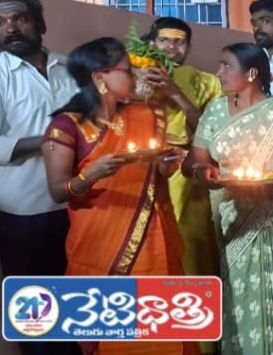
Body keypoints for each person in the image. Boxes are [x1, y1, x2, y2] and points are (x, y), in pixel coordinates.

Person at [41, 37, 195, 355]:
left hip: (155, 243)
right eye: (127, 71)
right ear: (100, 77)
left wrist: (166, 168)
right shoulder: (67, 126)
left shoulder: (148, 115)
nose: (136, 78)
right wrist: (91, 174)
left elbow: (155, 175)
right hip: (99, 245)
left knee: (162, 335)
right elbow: (58, 191)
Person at [184, 43, 273, 355]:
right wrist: (204, 173)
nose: (219, 73)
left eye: (226, 66)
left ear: (252, 74)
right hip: (232, 213)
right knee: (238, 291)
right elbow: (192, 161)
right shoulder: (215, 111)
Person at [0, 0, 80, 355]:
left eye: (20, 19)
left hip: (79, 206)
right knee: (36, 318)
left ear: (39, 23)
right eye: (0, 23)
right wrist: (53, 138)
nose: (11, 28)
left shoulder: (69, 67)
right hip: (23, 215)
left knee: (80, 308)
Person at [141, 17, 224, 275]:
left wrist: (173, 91)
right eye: (164, 40)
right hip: (141, 166)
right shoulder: (136, 73)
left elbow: (210, 129)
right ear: (152, 43)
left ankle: (192, 301)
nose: (171, 48)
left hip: (184, 172)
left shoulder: (205, 82)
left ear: (188, 48)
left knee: (188, 238)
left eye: (179, 42)